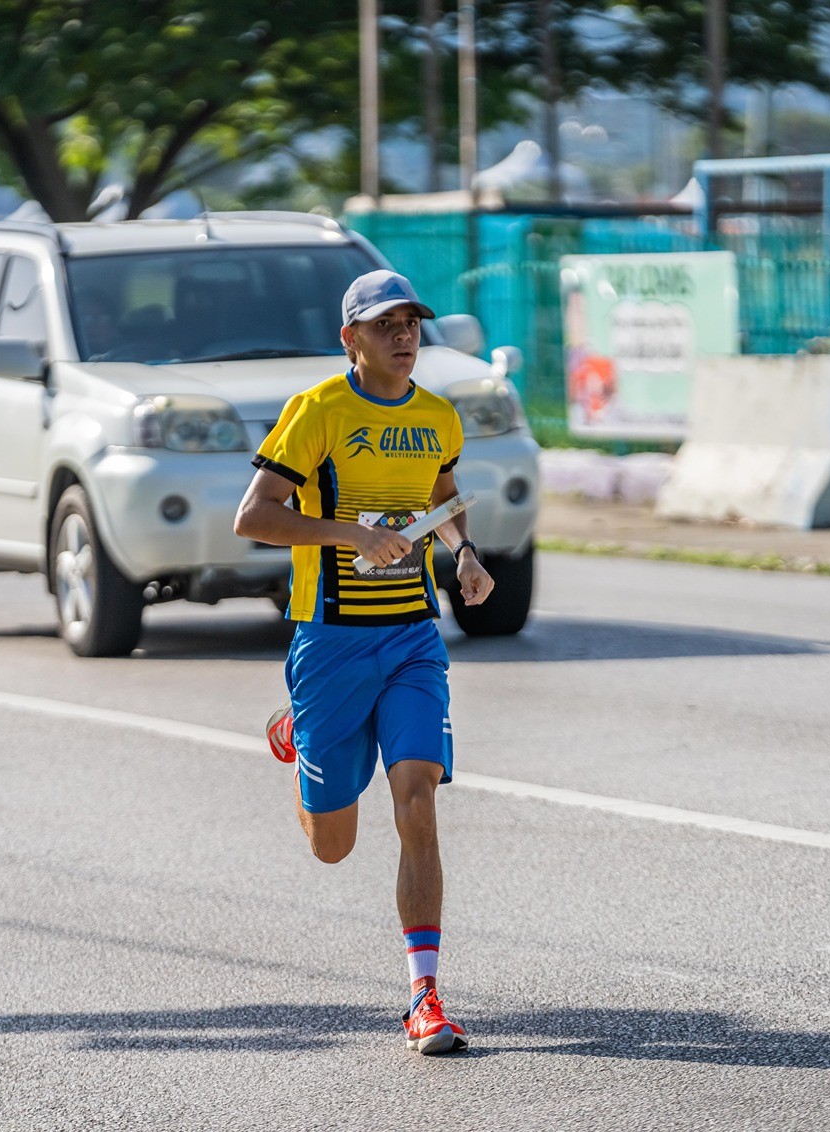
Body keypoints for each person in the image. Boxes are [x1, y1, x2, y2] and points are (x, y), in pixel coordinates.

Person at [233, 269, 495, 1056]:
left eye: (410, 321)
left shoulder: (437, 415)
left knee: (417, 800)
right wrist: (351, 534)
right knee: (332, 844)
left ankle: (424, 997)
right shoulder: (317, 411)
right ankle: (297, 736)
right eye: (385, 324)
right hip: (331, 640)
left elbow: (442, 496)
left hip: (411, 636)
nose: (403, 335)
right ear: (350, 338)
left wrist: (464, 553)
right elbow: (254, 517)